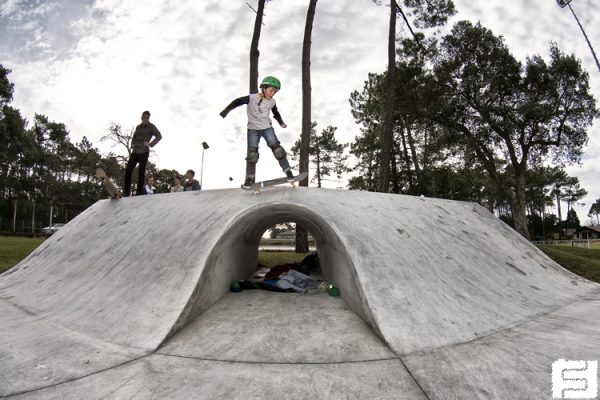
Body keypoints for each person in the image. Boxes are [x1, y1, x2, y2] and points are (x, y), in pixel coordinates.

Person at [220, 76, 296, 189]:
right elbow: (237, 102)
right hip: (253, 129)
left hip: (267, 128)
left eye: (275, 91)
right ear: (264, 88)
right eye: (271, 90)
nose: (273, 93)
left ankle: (288, 172)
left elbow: (276, 113)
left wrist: (281, 123)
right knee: (252, 155)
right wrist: (225, 111)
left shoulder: (272, 102)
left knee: (277, 149)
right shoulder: (252, 98)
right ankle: (250, 179)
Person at [123, 110, 162, 196]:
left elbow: (159, 136)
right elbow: (134, 137)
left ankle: (139, 191)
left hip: (144, 152)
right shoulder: (138, 127)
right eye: (144, 118)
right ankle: (126, 190)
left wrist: (151, 144)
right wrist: (132, 144)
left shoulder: (151, 127)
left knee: (141, 172)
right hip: (135, 151)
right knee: (129, 169)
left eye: (147, 118)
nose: (146, 119)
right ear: (142, 118)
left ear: (149, 119)